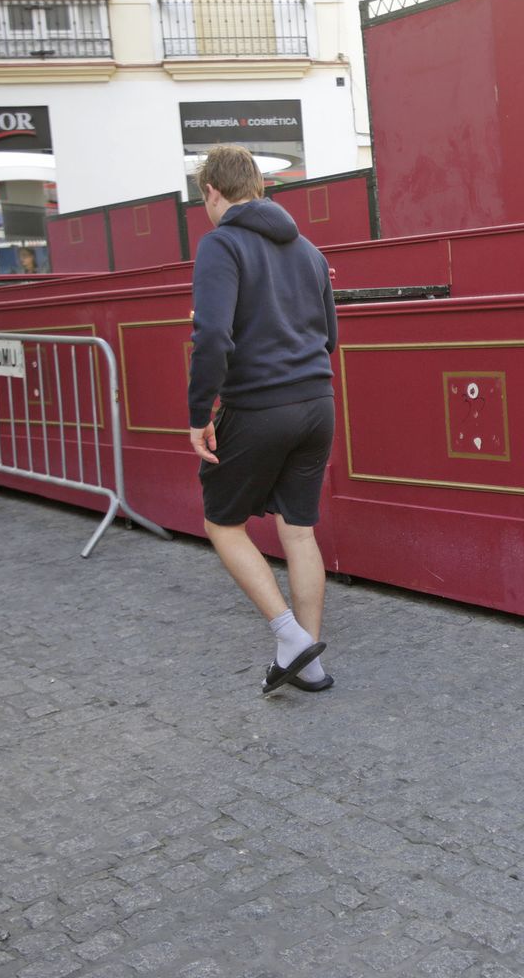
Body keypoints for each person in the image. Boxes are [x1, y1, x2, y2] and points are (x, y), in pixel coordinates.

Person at [187, 144, 339, 695]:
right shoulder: (310, 251)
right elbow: (330, 336)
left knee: (222, 522)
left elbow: (212, 336)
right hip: (318, 403)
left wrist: (199, 413)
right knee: (298, 529)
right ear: (260, 187)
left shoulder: (221, 244)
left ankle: (288, 636)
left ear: (212, 191)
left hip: (259, 407)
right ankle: (309, 662)